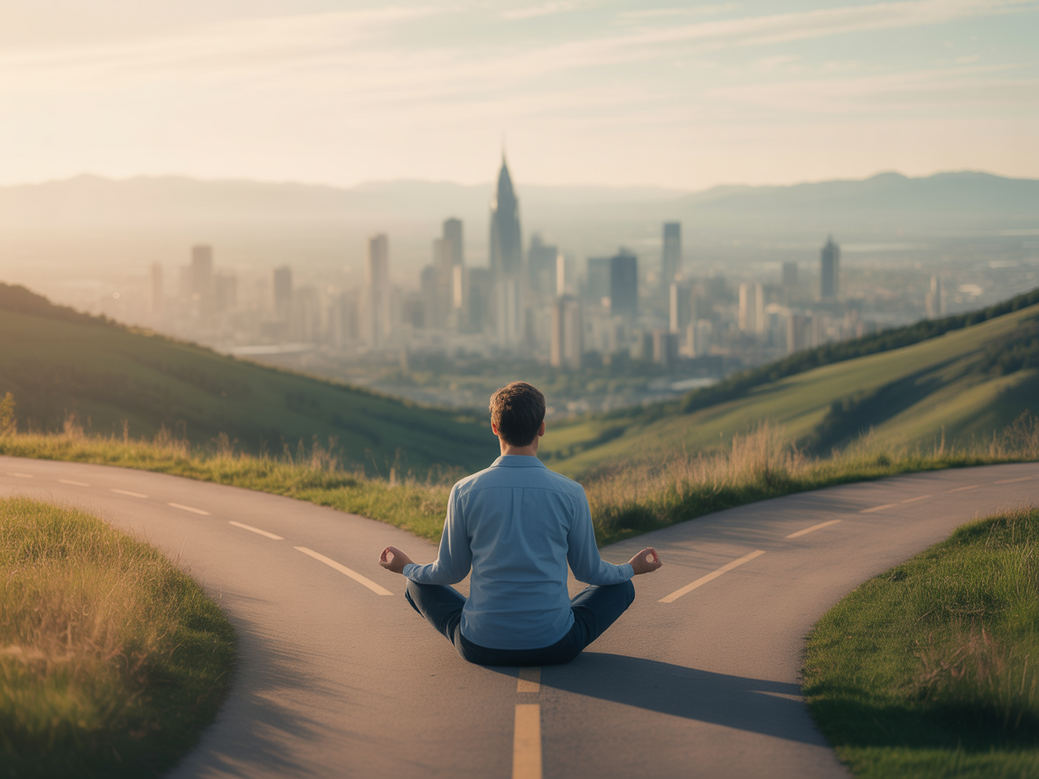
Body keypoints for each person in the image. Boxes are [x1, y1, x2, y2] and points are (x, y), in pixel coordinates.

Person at [379, 381, 662, 666]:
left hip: (480, 646)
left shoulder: (464, 490)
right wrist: (632, 568)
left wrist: (406, 566)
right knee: (622, 586)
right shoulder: (571, 492)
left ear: (494, 427)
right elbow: (589, 571)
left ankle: (488, 621)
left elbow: (449, 572)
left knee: (414, 583)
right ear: (541, 427)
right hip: (556, 646)